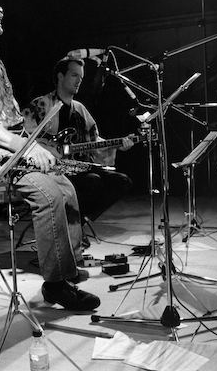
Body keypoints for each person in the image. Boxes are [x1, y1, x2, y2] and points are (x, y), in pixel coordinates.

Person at [0, 0, 100, 311]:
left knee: (66, 186)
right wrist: (25, 147)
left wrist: (35, 143)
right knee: (47, 194)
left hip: (10, 139)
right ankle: (55, 285)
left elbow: (12, 117)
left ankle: (65, 270)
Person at [23, 57, 134, 237]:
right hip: (50, 170)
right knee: (92, 181)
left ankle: (76, 223)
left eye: (81, 78)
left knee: (121, 181)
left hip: (77, 168)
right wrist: (49, 150)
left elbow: (94, 140)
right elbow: (24, 135)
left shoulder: (80, 109)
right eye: (74, 75)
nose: (78, 81)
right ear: (60, 76)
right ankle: (69, 228)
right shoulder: (41, 104)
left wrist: (119, 144)